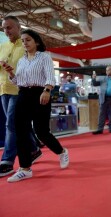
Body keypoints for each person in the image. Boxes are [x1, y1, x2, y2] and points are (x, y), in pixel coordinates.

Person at [3, 29, 69, 182]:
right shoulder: (21, 60)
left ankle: (62, 151)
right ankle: (25, 168)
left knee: (42, 132)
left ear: (36, 42)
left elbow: (50, 77)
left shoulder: (44, 57)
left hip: (40, 94)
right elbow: (18, 81)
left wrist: (47, 90)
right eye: (23, 40)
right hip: (23, 95)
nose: (25, 43)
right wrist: (11, 74)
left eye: (28, 40)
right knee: (21, 132)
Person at [0, 16, 42, 178]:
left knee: (11, 124)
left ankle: (7, 162)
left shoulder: (27, 45)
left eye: (9, 27)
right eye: (4, 28)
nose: (6, 31)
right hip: (3, 89)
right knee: (19, 124)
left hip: (20, 90)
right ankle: (34, 149)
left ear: (18, 27)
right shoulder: (2, 46)